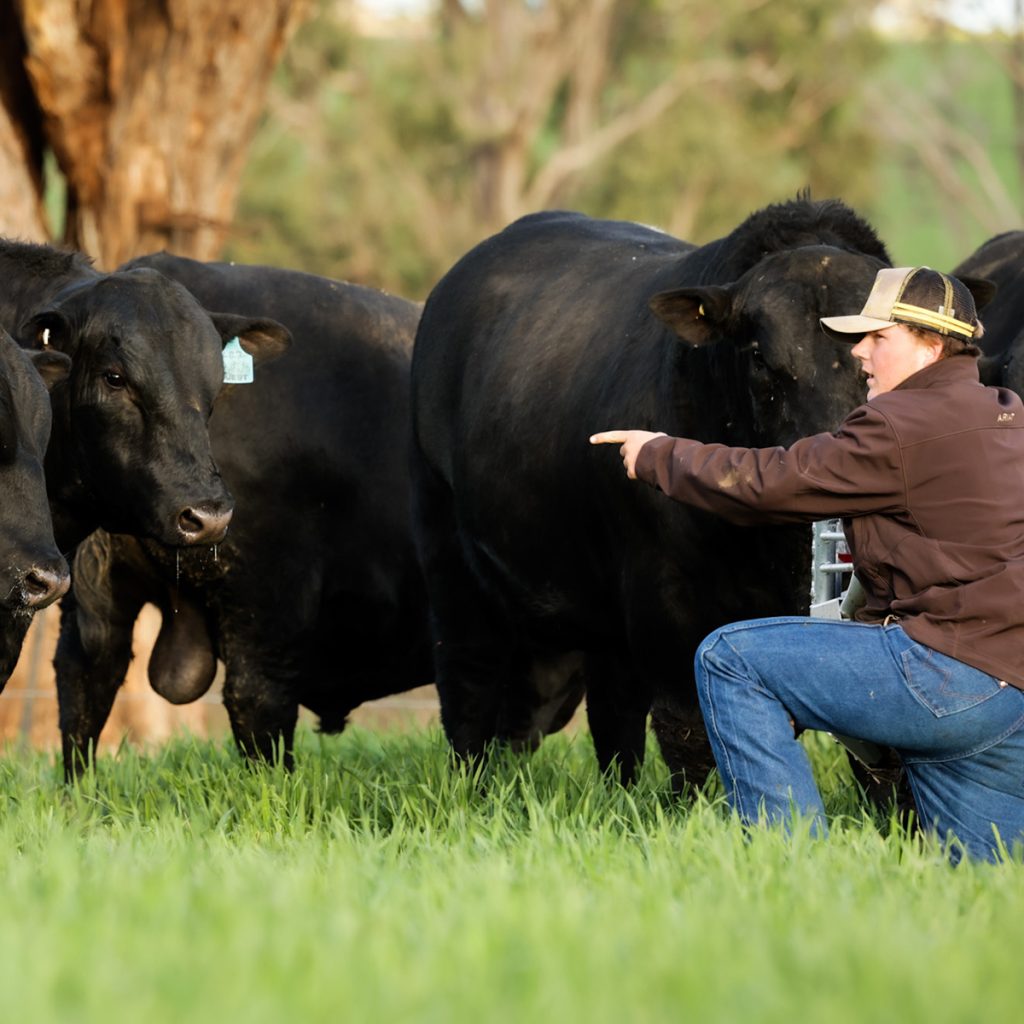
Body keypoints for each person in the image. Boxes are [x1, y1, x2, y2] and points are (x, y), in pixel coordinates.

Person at [591, 266, 1024, 863]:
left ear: (930, 344)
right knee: (986, 880)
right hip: (1006, 693)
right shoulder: (1008, 414)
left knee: (732, 659)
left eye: (879, 336)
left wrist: (660, 455)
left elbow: (773, 483)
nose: (858, 351)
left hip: (943, 675)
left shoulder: (898, 425)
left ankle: (788, 868)